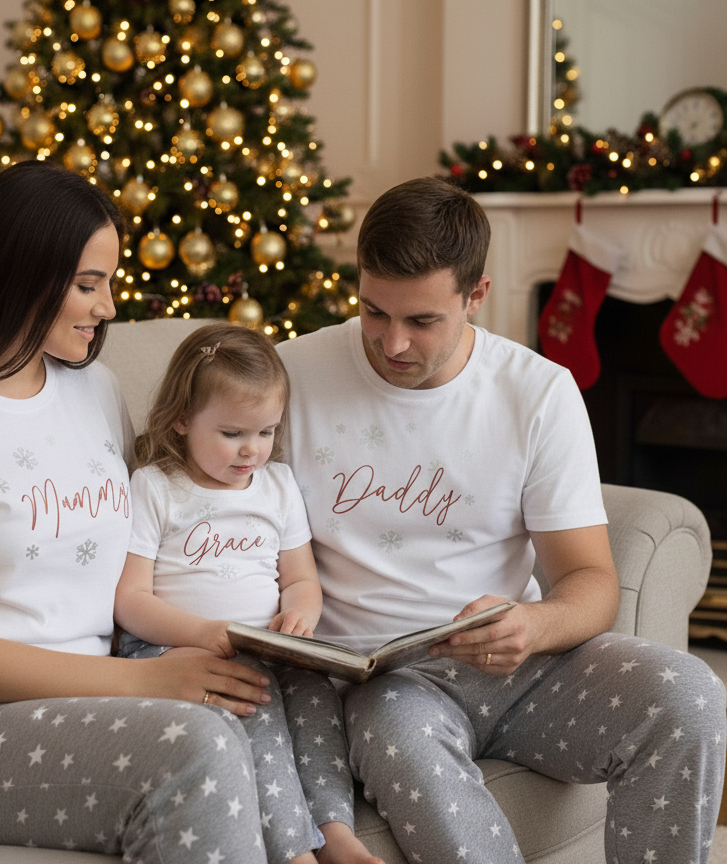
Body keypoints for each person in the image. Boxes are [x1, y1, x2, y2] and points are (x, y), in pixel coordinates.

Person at [0, 160, 279, 862]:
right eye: (87, 285)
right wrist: (148, 681)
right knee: (197, 746)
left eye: (108, 284)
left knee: (258, 713)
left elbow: (140, 559)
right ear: (17, 275)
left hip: (84, 704)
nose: (108, 309)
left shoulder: (95, 388)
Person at [276, 176, 726, 864]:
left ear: (476, 294)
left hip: (518, 668)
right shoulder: (290, 375)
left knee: (690, 695)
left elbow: (589, 581)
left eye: (421, 321)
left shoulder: (535, 391)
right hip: (384, 687)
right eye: (372, 312)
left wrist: (532, 625)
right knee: (397, 732)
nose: (391, 343)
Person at [113, 321, 385, 864]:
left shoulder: (278, 486)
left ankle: (334, 830)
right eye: (233, 433)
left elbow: (302, 579)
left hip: (269, 647)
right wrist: (205, 634)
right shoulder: (157, 487)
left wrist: (300, 616)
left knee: (316, 702)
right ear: (183, 418)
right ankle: (292, 850)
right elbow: (130, 600)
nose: (252, 451)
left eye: (265, 432)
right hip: (179, 649)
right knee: (256, 713)